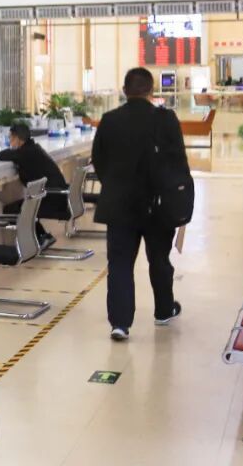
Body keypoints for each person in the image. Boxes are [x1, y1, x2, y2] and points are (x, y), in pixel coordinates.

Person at [91, 68, 184, 342]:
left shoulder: (110, 120)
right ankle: (164, 310)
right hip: (158, 204)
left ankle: (120, 323)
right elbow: (178, 162)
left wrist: (113, 185)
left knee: (120, 263)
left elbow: (99, 159)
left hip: (119, 205)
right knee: (159, 259)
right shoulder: (166, 120)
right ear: (151, 90)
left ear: (124, 90)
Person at [0, 122, 61, 249]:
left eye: (10, 138)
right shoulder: (34, 148)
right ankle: (42, 236)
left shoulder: (24, 152)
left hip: (51, 198)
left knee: (11, 209)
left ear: (18, 139)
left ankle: (36, 239)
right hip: (54, 195)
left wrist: (13, 149)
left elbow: (1, 155)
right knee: (26, 207)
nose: (9, 141)